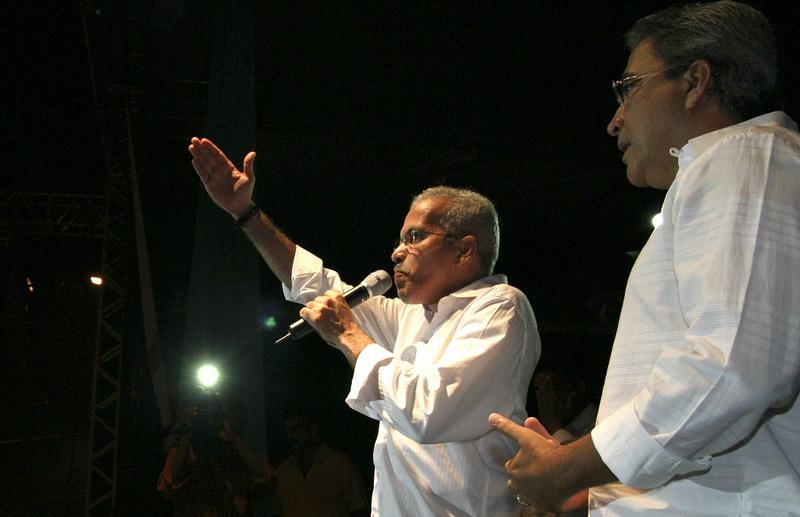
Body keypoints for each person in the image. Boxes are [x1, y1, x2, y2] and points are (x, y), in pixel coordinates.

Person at [489, 1, 800, 515]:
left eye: (628, 89)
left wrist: (569, 468)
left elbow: (731, 366)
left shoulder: (746, 153)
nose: (615, 121)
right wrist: (590, 479)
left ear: (695, 81)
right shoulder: (735, 166)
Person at [188, 136, 541, 515]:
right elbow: (317, 285)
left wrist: (348, 335)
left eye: (415, 237)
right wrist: (246, 213)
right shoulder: (410, 316)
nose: (396, 252)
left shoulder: (499, 306)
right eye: (400, 239)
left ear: (464, 249)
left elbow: (428, 414)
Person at [157, 389, 274, 516]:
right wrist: (188, 434)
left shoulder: (234, 451)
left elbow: (262, 476)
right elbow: (173, 483)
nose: (208, 418)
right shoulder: (181, 452)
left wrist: (231, 435)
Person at [273, 411, 366, 516]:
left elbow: (358, 507)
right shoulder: (284, 471)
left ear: (312, 430)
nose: (290, 436)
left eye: (296, 429)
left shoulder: (338, 464)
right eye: (288, 432)